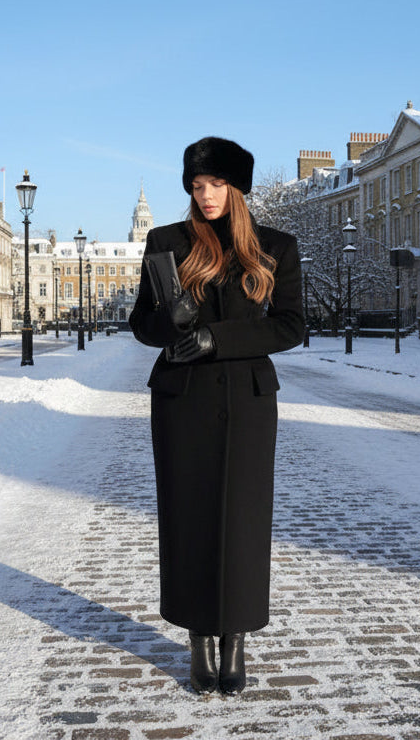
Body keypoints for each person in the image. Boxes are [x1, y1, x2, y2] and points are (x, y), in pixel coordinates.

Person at [130, 136, 304, 695]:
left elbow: (290, 325)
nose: (206, 195)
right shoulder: (167, 242)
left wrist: (215, 337)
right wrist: (170, 319)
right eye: (197, 185)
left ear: (237, 188)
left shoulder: (276, 246)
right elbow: (141, 324)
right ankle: (199, 637)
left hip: (248, 401)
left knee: (243, 521)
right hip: (182, 397)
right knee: (188, 516)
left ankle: (236, 639)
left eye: (217, 184)